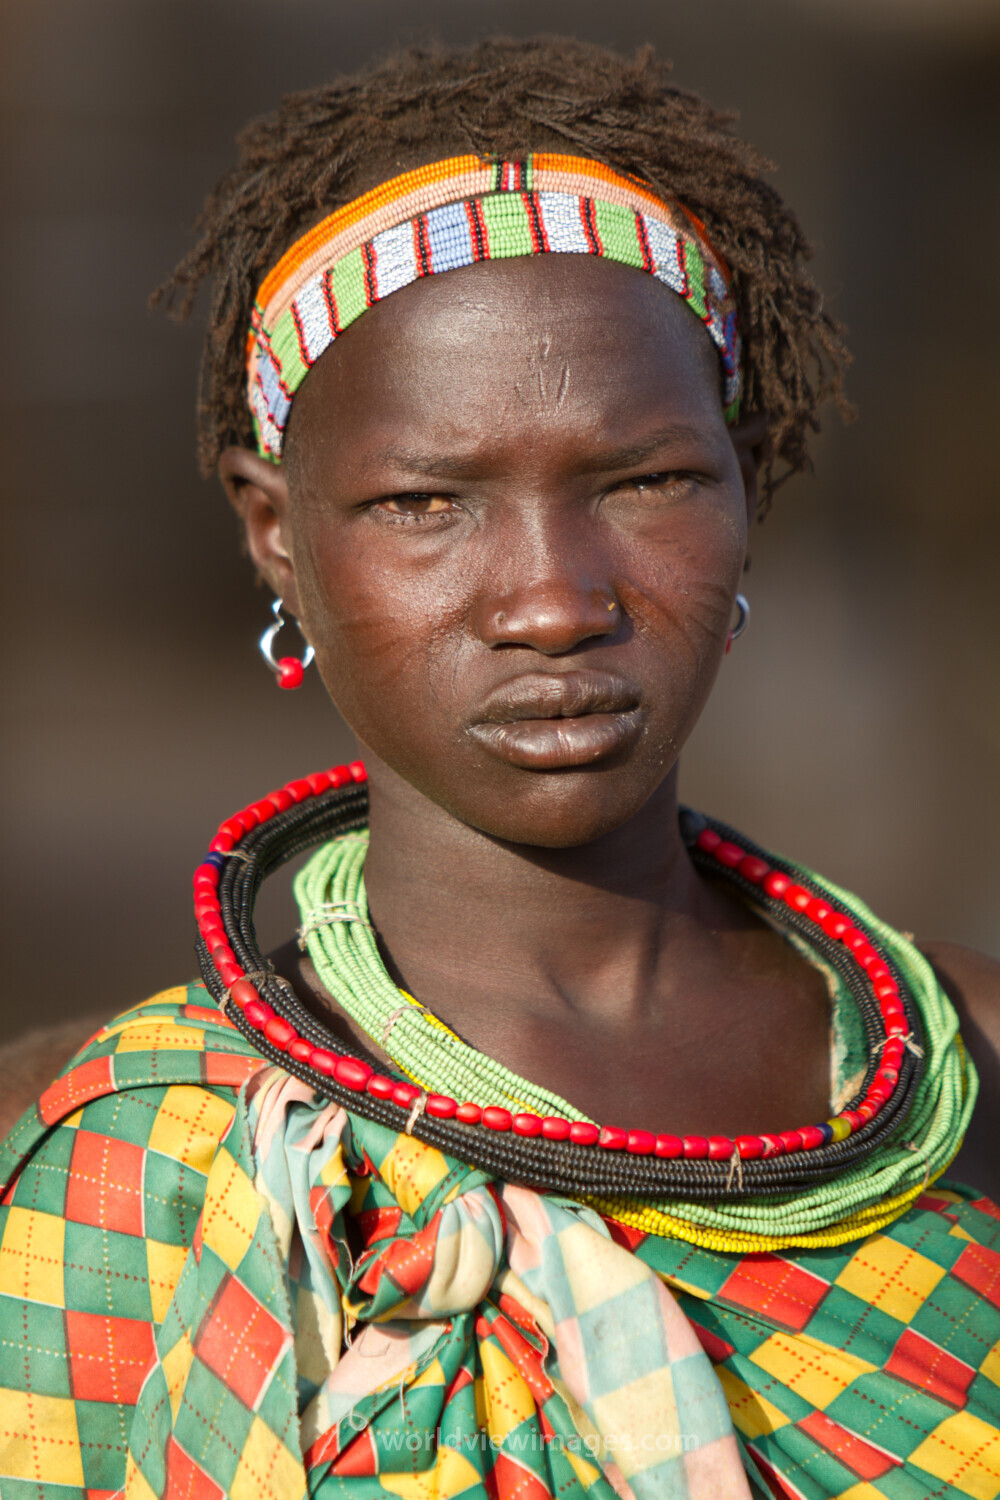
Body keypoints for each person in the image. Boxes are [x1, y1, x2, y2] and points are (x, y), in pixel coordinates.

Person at [2, 36, 998, 1500]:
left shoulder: (967, 1065)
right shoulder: (115, 1155)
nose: (551, 600)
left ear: (748, 482)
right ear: (277, 534)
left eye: (645, 482)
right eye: (423, 504)